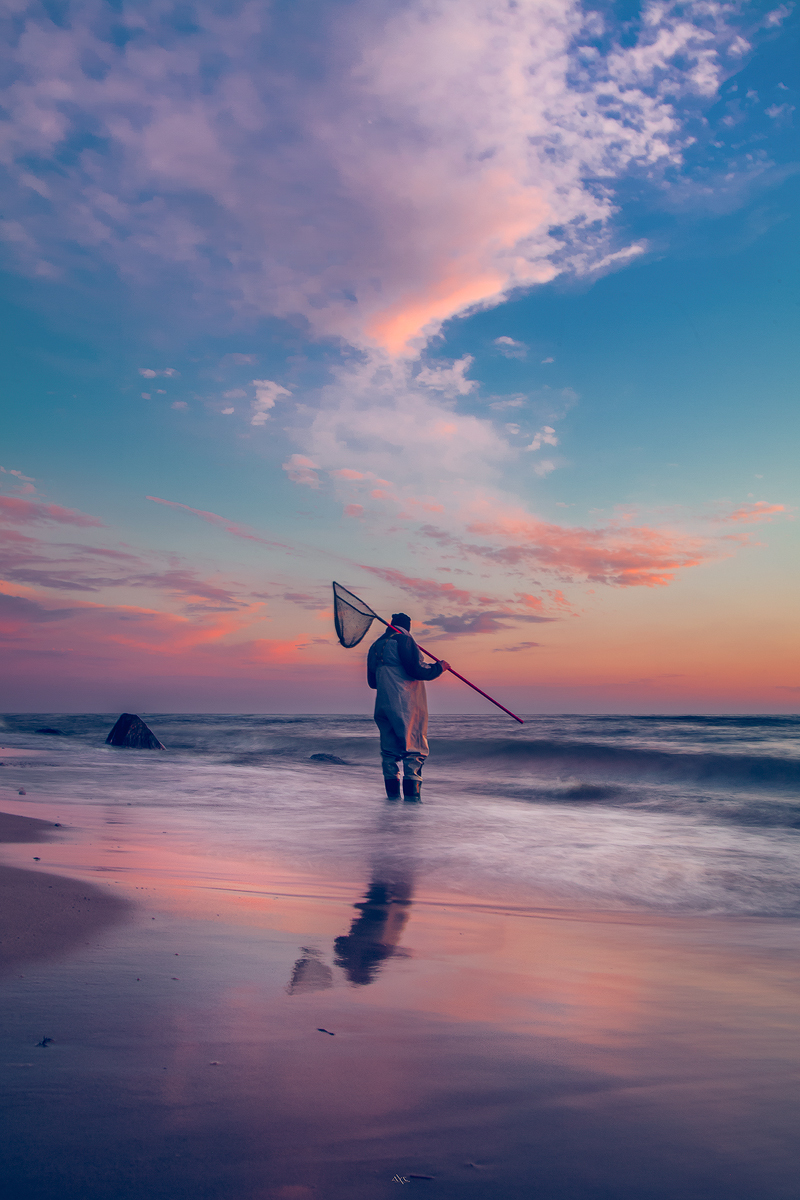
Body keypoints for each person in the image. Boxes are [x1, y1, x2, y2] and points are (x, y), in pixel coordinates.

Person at [367, 613, 449, 800]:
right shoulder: (404, 640)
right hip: (406, 704)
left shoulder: (375, 646)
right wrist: (439, 667)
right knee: (414, 749)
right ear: (408, 627)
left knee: (389, 751)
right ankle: (412, 804)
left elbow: (372, 682)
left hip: (382, 705)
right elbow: (417, 671)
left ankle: (392, 801)